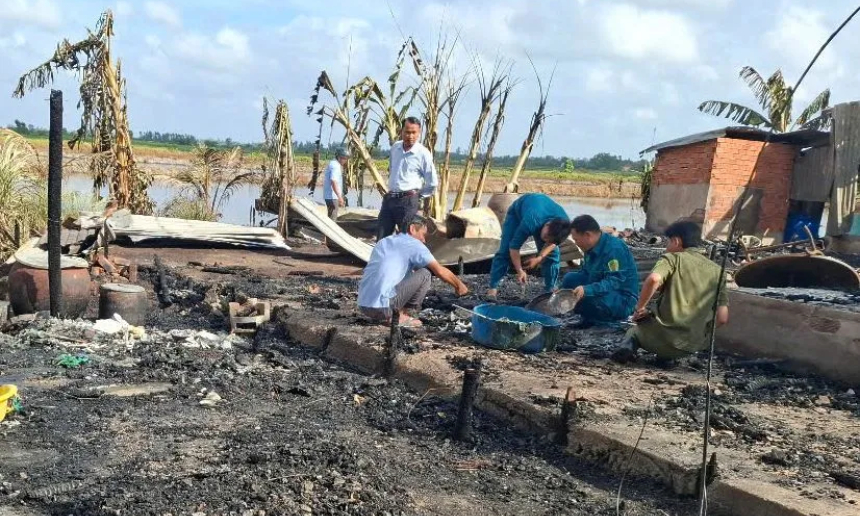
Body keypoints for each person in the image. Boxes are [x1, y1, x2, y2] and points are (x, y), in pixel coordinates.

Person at [614, 221, 729, 361]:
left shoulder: (672, 258)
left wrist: (640, 308)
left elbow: (654, 279)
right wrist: (701, 334)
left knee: (634, 331)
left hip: (662, 340)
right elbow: (722, 318)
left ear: (676, 241)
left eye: (668, 243)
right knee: (670, 337)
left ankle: (626, 350)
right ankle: (666, 360)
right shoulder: (719, 271)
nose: (666, 248)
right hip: (691, 346)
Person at [359, 215, 468, 327]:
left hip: (364, 305)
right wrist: (459, 286)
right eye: (423, 235)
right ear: (412, 229)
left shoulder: (384, 242)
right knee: (425, 274)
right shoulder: (414, 244)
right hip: (383, 307)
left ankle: (395, 314)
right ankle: (402, 315)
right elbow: (439, 271)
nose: (424, 240)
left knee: (411, 273)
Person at [486, 193, 572, 298]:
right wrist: (520, 270)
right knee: (505, 251)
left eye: (549, 240)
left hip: (540, 211)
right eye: (546, 237)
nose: (546, 240)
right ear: (547, 225)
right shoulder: (531, 222)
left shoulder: (565, 226)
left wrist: (539, 258)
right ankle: (492, 288)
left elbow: (553, 244)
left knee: (553, 255)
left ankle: (550, 287)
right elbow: (514, 247)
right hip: (517, 213)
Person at [560, 215, 639, 325]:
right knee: (569, 279)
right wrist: (561, 291)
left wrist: (587, 290)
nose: (575, 243)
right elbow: (585, 272)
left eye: (576, 239)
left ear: (587, 235)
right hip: (601, 287)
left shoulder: (614, 249)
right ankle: (588, 310)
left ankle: (600, 318)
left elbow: (614, 282)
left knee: (589, 300)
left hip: (622, 298)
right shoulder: (589, 247)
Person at [377, 117, 438, 240]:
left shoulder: (423, 154)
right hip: (390, 199)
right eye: (407, 132)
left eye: (414, 132)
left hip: (408, 202)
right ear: (401, 131)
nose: (410, 136)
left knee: (406, 240)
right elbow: (392, 169)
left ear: (419, 133)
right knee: (382, 238)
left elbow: (432, 183)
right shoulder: (395, 148)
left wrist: (417, 195)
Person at [323, 147, 349, 220]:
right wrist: (339, 197)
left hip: (330, 196)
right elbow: (333, 181)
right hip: (333, 197)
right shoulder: (335, 166)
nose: (345, 160)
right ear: (339, 157)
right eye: (344, 158)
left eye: (346, 158)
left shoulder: (333, 163)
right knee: (332, 219)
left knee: (332, 216)